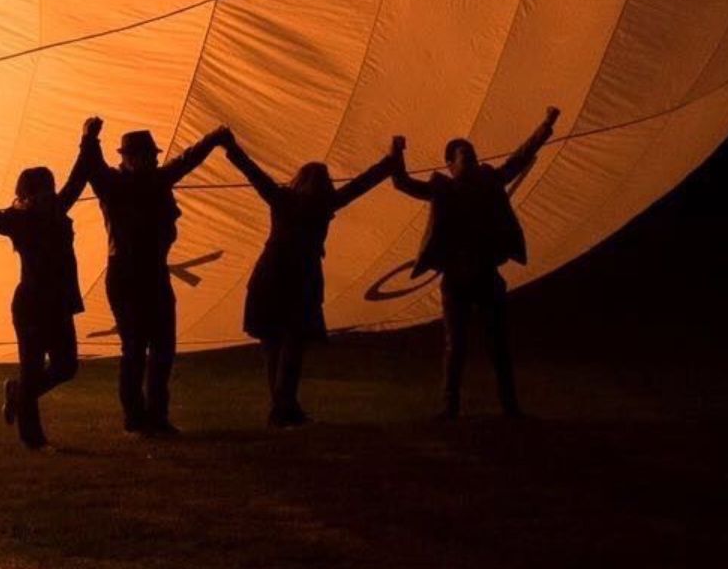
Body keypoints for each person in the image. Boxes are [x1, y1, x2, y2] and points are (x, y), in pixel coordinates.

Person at [0, 118, 98, 449]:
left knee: (66, 367)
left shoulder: (58, 209)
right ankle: (33, 440)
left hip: (59, 301)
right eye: (42, 190)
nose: (48, 194)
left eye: (50, 188)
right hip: (32, 305)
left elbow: (78, 177)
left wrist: (88, 140)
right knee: (33, 369)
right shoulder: (17, 220)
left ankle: (18, 391)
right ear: (28, 194)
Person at [389, 106, 560, 420]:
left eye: (472, 155)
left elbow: (521, 157)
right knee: (456, 346)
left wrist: (546, 125)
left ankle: (508, 406)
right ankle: (451, 406)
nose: (471, 160)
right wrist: (396, 152)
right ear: (450, 164)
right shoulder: (442, 189)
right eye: (465, 156)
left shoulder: (489, 182)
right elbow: (402, 182)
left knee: (497, 344)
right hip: (457, 279)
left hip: (485, 275)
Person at [224, 132, 403, 427]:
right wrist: (390, 161)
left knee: (274, 345)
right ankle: (284, 407)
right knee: (291, 345)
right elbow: (361, 184)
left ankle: (282, 407)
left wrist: (229, 146)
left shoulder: (282, 198)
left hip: (270, 277)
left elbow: (253, 172)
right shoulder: (323, 204)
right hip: (299, 281)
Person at [78, 121, 228, 435]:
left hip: (147, 272)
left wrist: (212, 139)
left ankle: (154, 417)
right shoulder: (117, 184)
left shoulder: (146, 180)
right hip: (129, 274)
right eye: (149, 156)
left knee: (161, 346)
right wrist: (89, 139)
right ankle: (138, 418)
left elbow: (186, 160)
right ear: (132, 158)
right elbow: (94, 166)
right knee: (136, 348)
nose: (155, 160)